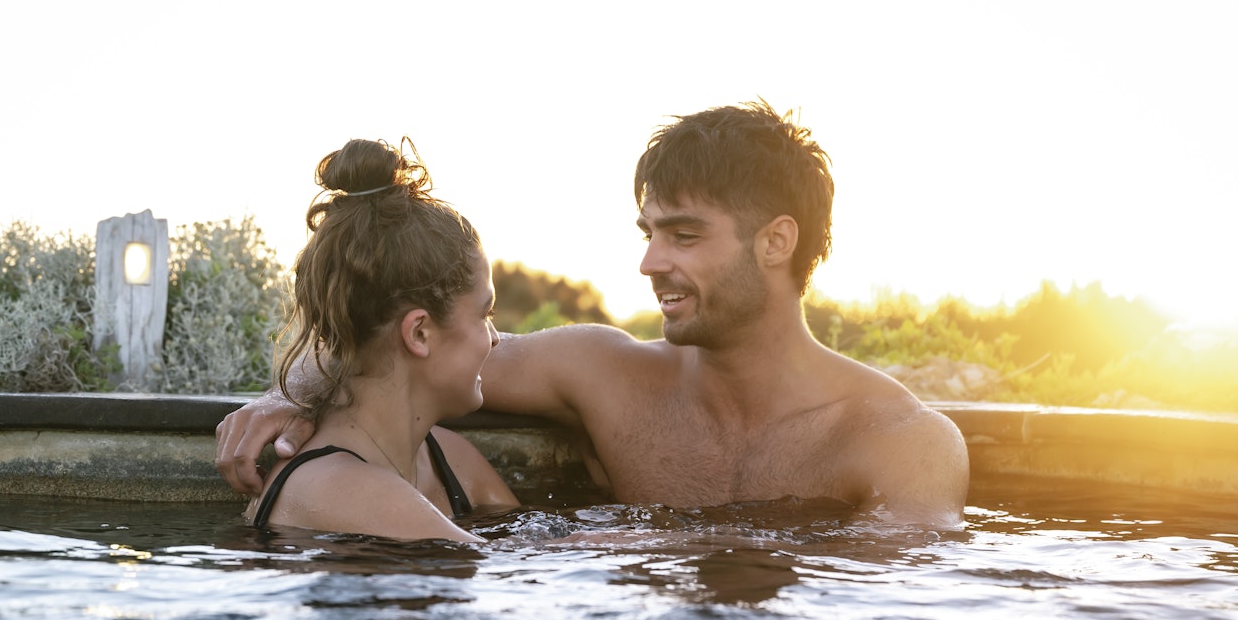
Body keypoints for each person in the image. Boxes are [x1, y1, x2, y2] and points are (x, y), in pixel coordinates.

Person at [218, 103, 969, 528]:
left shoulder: (904, 446)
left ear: (776, 242)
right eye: (649, 235)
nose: (650, 265)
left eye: (684, 235)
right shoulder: (602, 373)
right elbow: (391, 344)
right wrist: (294, 396)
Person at [243, 137, 517, 542]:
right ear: (419, 333)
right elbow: (513, 570)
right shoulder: (339, 488)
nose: (494, 339)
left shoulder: (452, 460)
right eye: (485, 314)